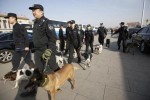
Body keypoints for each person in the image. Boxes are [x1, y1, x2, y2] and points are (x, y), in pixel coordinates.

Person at [21, 4, 60, 97]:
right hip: (38, 52)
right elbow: (36, 38)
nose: (33, 12)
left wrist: (49, 51)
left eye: (35, 10)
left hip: (47, 51)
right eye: (32, 10)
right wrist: (29, 46)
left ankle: (56, 85)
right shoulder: (35, 23)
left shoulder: (47, 22)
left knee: (53, 69)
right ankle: (32, 90)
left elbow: (53, 39)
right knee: (37, 72)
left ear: (41, 12)